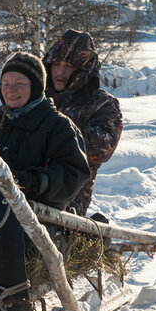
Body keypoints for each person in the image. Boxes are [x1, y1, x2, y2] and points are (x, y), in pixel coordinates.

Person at [0, 51, 89, 275]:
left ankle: (12, 303)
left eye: (20, 83)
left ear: (36, 87)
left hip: (35, 220)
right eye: (6, 83)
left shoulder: (58, 127)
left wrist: (34, 182)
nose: (11, 89)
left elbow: (72, 174)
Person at [42, 29, 123, 217]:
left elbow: (102, 148)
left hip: (69, 199)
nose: (60, 71)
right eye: (56, 64)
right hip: (23, 184)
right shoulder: (37, 96)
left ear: (82, 69)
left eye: (69, 66)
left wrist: (52, 130)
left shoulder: (103, 104)